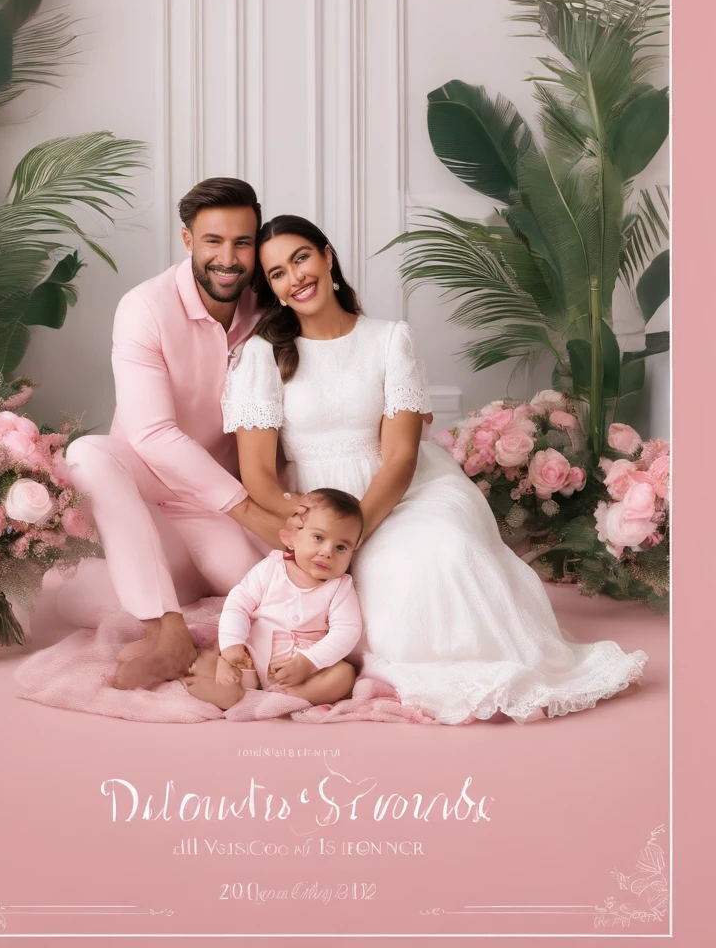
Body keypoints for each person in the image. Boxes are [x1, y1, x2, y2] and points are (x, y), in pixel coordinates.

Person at [219, 214, 648, 724]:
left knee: (450, 550)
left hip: (402, 490)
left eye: (301, 258)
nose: (295, 277)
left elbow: (401, 457)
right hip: (318, 504)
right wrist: (311, 525)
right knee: (392, 585)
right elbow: (259, 478)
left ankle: (511, 665)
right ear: (272, 288)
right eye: (277, 273)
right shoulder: (264, 355)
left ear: (327, 257)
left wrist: (353, 535)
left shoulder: (388, 338)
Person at [65, 179, 310, 691]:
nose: (228, 258)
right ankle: (167, 632)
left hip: (214, 501)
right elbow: (151, 434)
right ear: (187, 240)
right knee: (87, 454)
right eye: (213, 241)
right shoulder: (145, 307)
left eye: (242, 243)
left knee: (269, 592)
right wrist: (251, 512)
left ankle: (189, 601)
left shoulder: (271, 306)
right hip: (147, 490)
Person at [182, 488, 363, 710]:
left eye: (341, 547)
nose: (327, 551)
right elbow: (238, 604)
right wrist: (232, 645)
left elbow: (347, 631)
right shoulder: (272, 568)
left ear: (353, 552)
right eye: (318, 537)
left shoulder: (340, 587)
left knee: (345, 675)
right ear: (292, 537)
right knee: (223, 652)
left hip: (302, 669)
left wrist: (309, 662)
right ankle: (221, 680)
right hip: (251, 656)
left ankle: (285, 696)